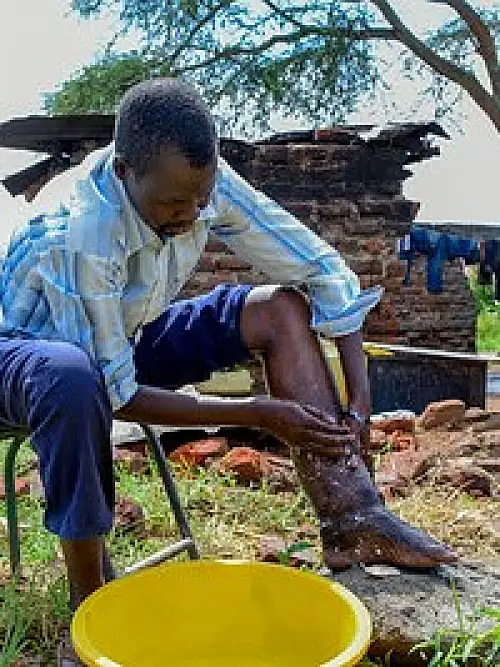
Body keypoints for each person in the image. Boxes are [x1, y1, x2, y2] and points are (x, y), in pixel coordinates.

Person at [0, 78, 456, 664]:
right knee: (74, 379)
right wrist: (258, 414)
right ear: (124, 171)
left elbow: (319, 267)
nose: (191, 215)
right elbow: (116, 392)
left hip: (124, 337)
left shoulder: (198, 185)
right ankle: (90, 607)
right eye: (171, 204)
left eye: (200, 198)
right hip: (27, 361)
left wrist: (359, 400)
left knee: (279, 308)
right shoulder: (76, 235)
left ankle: (354, 516)